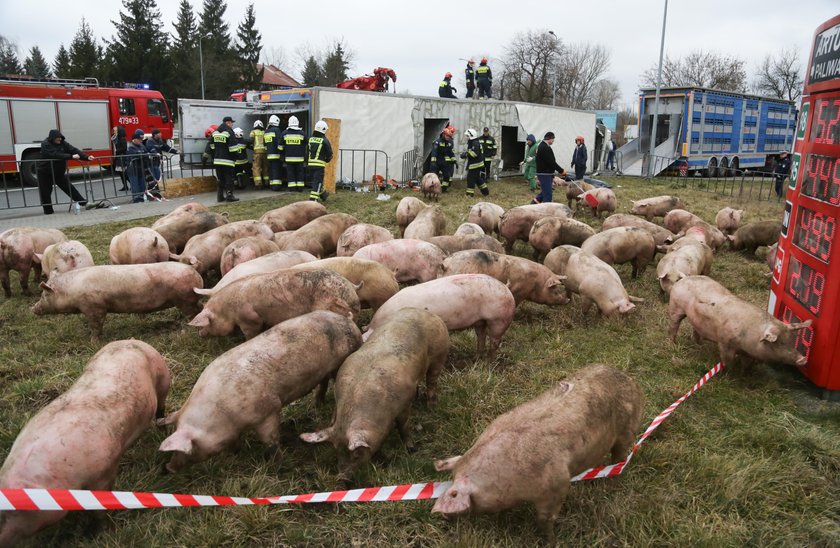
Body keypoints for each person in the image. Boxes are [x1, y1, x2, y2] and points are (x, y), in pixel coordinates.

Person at [37, 129, 94, 214]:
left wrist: (86, 157)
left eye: (60, 137)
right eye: (58, 138)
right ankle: (48, 211)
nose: (60, 139)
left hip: (58, 172)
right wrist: (71, 156)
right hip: (45, 172)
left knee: (69, 188)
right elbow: (54, 154)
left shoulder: (63, 143)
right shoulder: (45, 144)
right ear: (52, 138)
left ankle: (84, 203)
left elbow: (74, 150)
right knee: (45, 192)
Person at [532, 131, 566, 205]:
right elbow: (551, 162)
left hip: (546, 173)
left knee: (544, 192)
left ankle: (533, 204)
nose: (553, 141)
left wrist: (552, 174)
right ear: (550, 139)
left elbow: (549, 162)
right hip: (544, 174)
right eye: (553, 139)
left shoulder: (543, 146)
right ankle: (547, 211)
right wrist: (561, 171)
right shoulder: (544, 147)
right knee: (548, 195)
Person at [211, 116, 239, 202]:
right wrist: (236, 157)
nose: (232, 124)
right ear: (227, 123)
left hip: (217, 160)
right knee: (229, 178)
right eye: (231, 122)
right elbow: (233, 147)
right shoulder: (229, 132)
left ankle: (220, 196)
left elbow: (212, 146)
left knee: (220, 179)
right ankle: (229, 196)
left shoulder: (215, 133)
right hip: (227, 161)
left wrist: (215, 156)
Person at [307, 119, 334, 202]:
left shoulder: (310, 139)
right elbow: (329, 153)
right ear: (324, 129)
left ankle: (323, 195)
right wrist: (327, 159)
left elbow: (307, 151)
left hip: (310, 165)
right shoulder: (324, 140)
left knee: (316, 180)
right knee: (318, 182)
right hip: (319, 165)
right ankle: (313, 199)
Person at [460, 128, 489, 198]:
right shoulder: (472, 142)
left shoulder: (475, 143)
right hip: (476, 164)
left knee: (470, 179)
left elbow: (475, 154)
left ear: (471, 136)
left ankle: (469, 195)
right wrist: (466, 153)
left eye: (467, 136)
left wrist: (466, 155)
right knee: (477, 178)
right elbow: (471, 152)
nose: (466, 137)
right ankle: (485, 191)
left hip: (475, 164)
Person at [280, 115, 306, 192]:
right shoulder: (302, 133)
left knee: (290, 173)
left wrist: (282, 155)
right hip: (300, 158)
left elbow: (280, 147)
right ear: (297, 123)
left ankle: (292, 188)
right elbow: (306, 144)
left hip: (289, 159)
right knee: (300, 172)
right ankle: (300, 188)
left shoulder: (284, 133)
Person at [125, 129, 151, 203]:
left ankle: (142, 197)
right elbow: (136, 155)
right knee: (135, 185)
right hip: (133, 169)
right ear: (135, 139)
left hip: (140, 168)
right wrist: (145, 155)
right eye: (140, 139)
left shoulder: (142, 145)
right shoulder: (130, 147)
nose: (141, 140)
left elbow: (146, 153)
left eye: (142, 139)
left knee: (142, 184)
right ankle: (136, 199)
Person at [431, 125, 457, 192]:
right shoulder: (437, 142)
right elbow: (434, 153)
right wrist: (433, 163)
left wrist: (454, 160)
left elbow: (450, 152)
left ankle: (443, 189)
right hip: (436, 162)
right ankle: (433, 189)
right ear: (443, 134)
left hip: (442, 161)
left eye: (449, 136)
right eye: (447, 135)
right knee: (434, 177)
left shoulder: (448, 143)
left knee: (447, 176)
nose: (448, 137)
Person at [264, 115, 283, 191]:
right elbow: (279, 142)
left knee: (271, 170)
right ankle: (276, 187)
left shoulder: (266, 131)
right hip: (276, 154)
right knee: (276, 170)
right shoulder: (277, 130)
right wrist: (281, 151)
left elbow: (265, 144)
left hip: (269, 155)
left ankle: (272, 185)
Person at [250, 120, 268, 187]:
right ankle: (267, 182)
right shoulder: (264, 132)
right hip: (264, 152)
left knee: (256, 168)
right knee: (265, 167)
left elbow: (251, 140)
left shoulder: (253, 132)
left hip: (257, 153)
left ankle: (258, 183)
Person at [110, 126, 128, 191]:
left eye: (114, 130)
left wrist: (117, 151)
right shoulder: (116, 138)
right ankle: (125, 185)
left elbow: (124, 148)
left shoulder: (122, 139)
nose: (113, 132)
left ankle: (130, 184)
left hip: (122, 157)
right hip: (118, 157)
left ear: (118, 131)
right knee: (121, 173)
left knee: (123, 173)